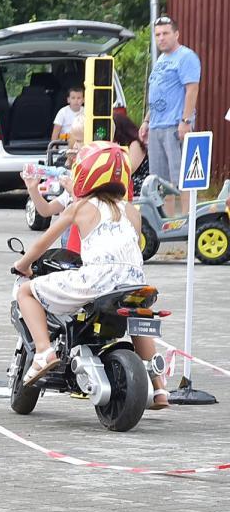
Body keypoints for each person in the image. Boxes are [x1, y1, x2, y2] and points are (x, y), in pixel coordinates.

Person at [12, 142, 169, 409]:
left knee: (26, 292)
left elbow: (42, 244)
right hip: (135, 282)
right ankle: (160, 388)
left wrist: (22, 264)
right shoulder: (132, 211)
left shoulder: (81, 206)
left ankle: (44, 352)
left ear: (87, 172)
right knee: (138, 318)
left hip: (98, 280)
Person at [139, 15, 200, 216]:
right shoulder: (161, 60)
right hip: (156, 126)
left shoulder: (186, 57)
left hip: (175, 125)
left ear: (176, 34)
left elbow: (192, 89)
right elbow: (159, 95)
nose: (161, 38)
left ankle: (187, 222)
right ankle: (168, 222)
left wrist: (185, 121)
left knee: (181, 178)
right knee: (160, 182)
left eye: (165, 33)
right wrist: (146, 121)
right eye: (157, 34)